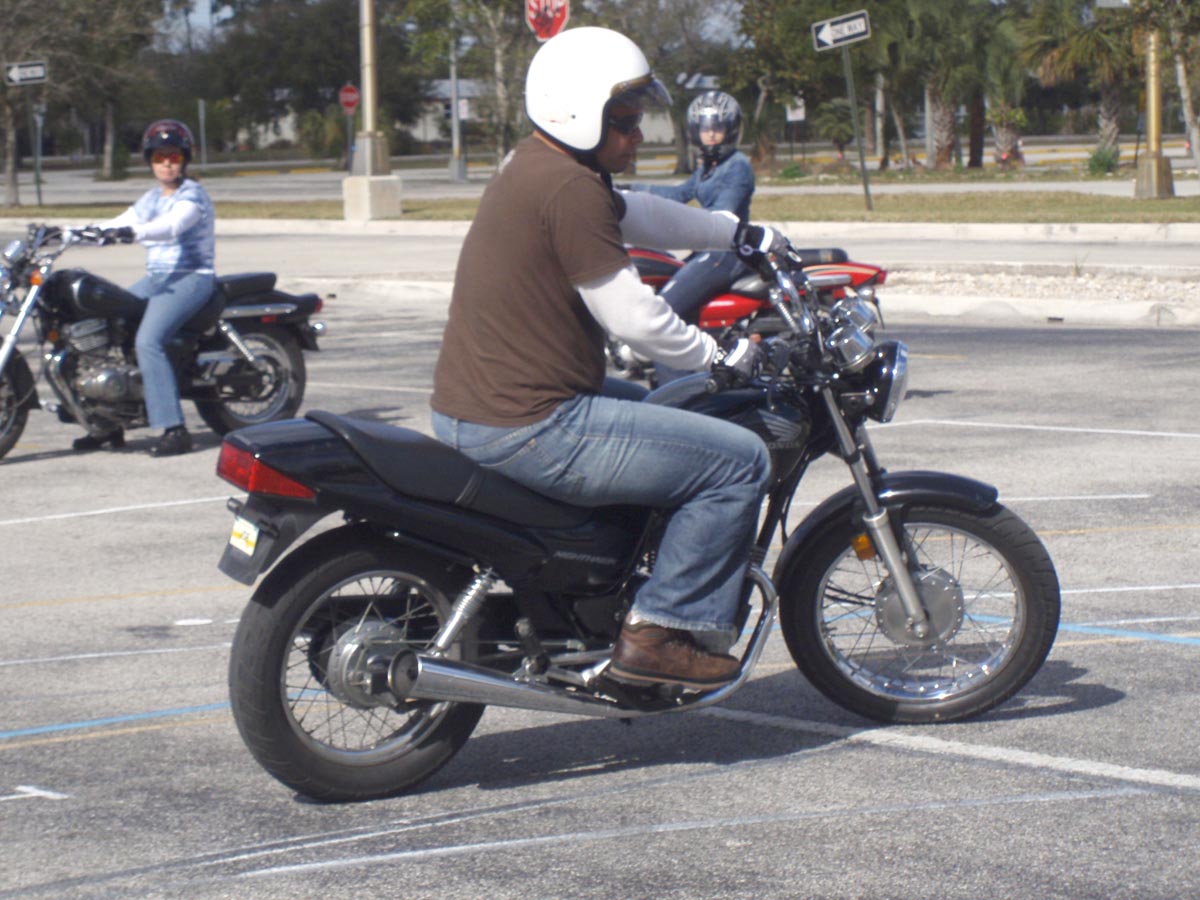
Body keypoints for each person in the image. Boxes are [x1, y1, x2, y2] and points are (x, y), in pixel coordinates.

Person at [430, 27, 788, 691]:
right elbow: (634, 319)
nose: (639, 135)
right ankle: (658, 633)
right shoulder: (567, 189)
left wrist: (736, 233)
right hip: (532, 423)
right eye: (624, 121)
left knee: (663, 408)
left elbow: (640, 213)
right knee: (737, 460)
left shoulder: (540, 165)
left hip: (486, 405)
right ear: (577, 115)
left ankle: (610, 586)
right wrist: (720, 355)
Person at [77, 119, 216, 457]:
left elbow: (172, 226)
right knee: (106, 324)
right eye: (158, 157)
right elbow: (121, 220)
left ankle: (174, 429)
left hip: (190, 276)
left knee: (148, 341)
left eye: (173, 156)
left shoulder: (192, 195)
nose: (166, 163)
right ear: (150, 161)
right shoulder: (152, 198)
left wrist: (133, 233)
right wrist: (68, 233)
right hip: (158, 278)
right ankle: (108, 423)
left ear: (184, 158)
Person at [627, 90, 755, 383]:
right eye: (704, 128)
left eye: (717, 127)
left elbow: (723, 215)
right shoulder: (708, 168)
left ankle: (678, 392)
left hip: (726, 252)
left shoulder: (737, 166)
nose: (710, 134)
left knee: (664, 313)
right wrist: (631, 191)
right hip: (709, 249)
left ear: (730, 129)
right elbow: (680, 193)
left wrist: (679, 226)